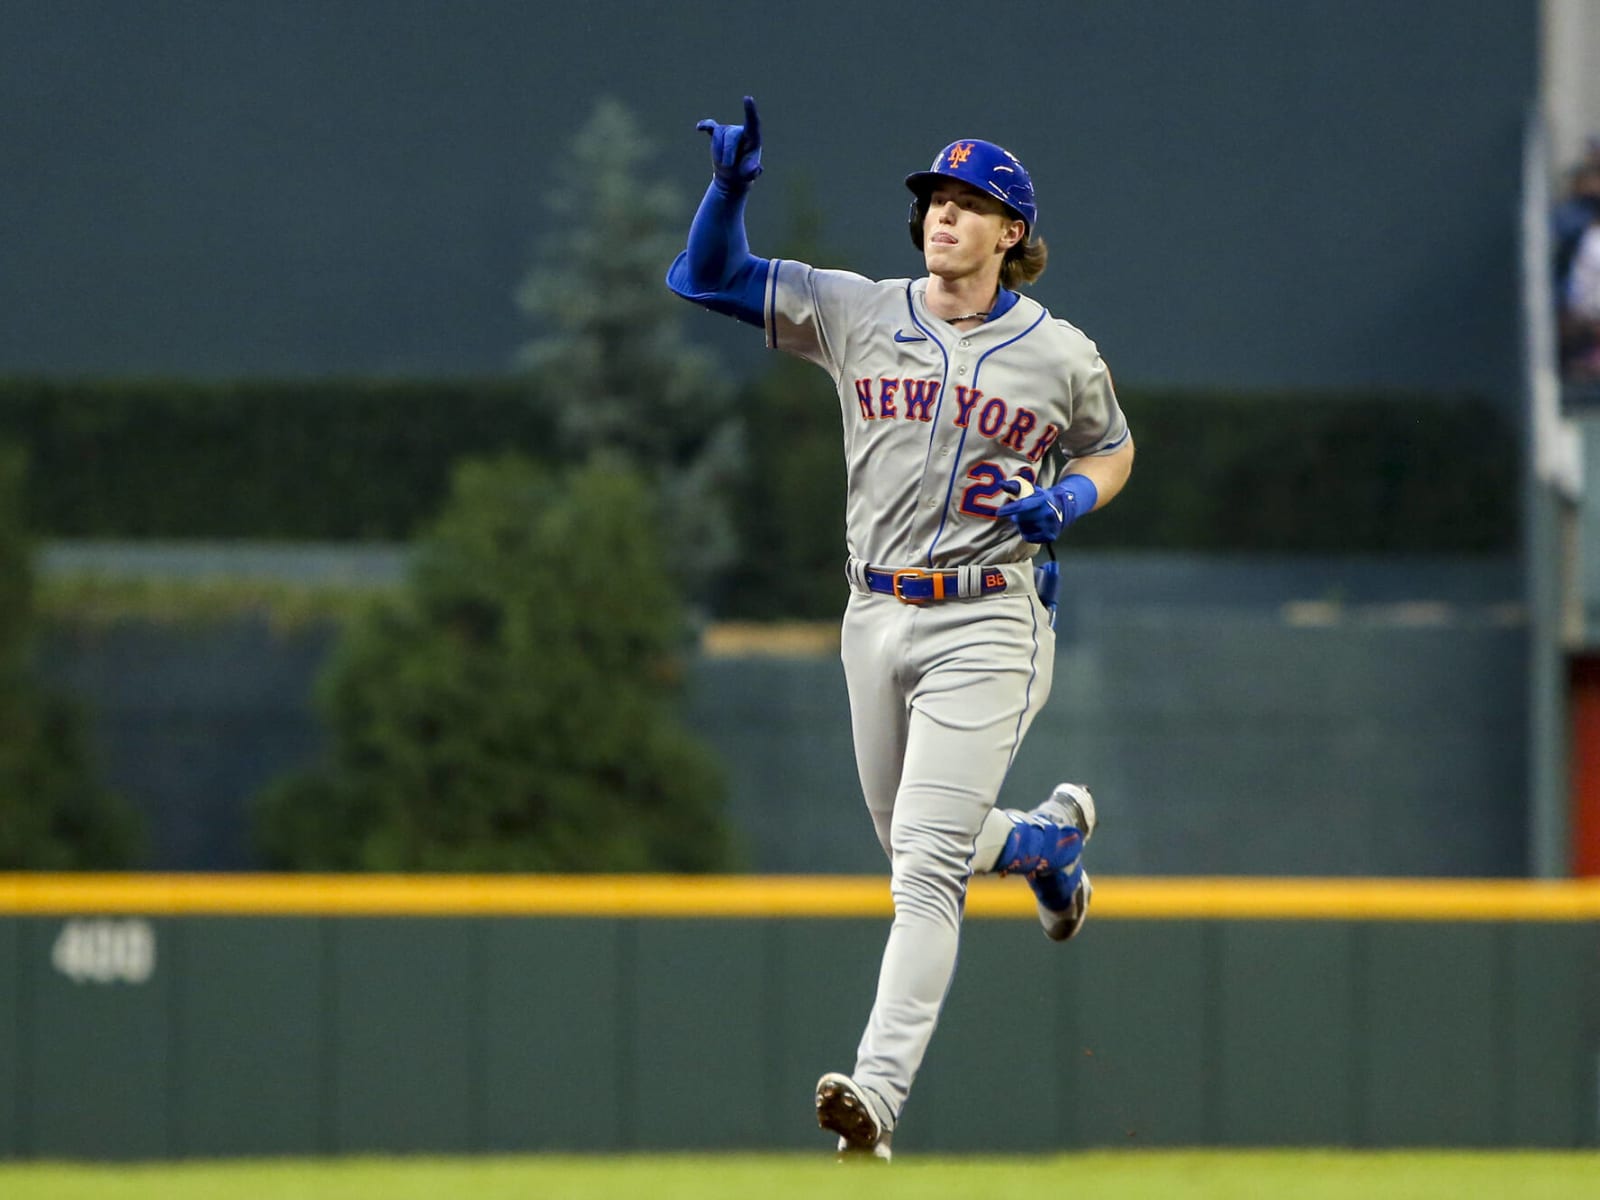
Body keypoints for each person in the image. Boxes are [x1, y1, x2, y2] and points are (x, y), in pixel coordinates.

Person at [666, 97, 1135, 1161]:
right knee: (917, 848)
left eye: (970, 205)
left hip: (988, 620)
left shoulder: (1058, 352)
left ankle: (872, 1100)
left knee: (922, 866)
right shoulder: (861, 311)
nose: (943, 217)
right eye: (935, 198)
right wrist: (729, 190)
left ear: (1011, 233)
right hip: (872, 611)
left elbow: (1111, 448)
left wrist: (1070, 500)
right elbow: (706, 277)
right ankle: (1046, 842)